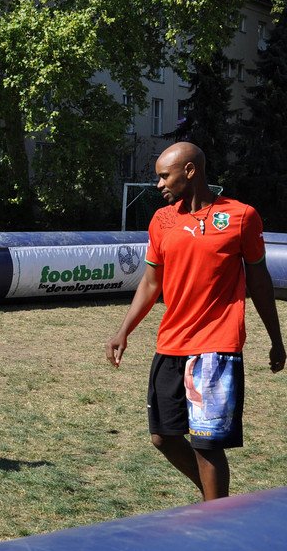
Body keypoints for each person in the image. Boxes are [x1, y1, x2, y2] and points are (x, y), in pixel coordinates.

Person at [105, 142, 285, 501]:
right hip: (171, 343)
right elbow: (151, 283)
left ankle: (215, 518)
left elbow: (260, 282)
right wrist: (123, 330)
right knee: (163, 436)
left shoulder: (241, 216)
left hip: (216, 348)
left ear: (190, 171)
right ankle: (217, 503)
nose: (159, 184)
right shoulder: (162, 220)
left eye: (164, 176)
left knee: (206, 444)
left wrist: (276, 340)